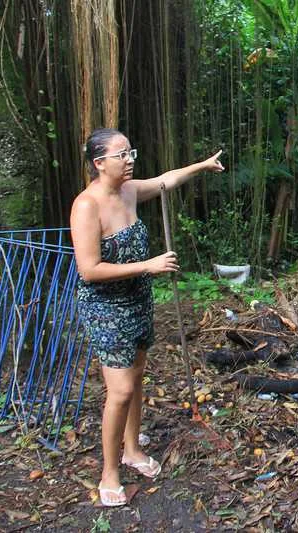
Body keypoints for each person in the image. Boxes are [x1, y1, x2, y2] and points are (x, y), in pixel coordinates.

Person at [70, 128, 224, 507]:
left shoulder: (129, 190)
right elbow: (89, 269)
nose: (130, 159)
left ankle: (132, 449)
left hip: (137, 300)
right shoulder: (86, 206)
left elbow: (166, 180)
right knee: (119, 391)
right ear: (98, 163)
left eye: (130, 152)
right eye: (121, 155)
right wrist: (148, 265)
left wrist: (202, 166)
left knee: (136, 379)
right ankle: (109, 472)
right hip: (106, 307)